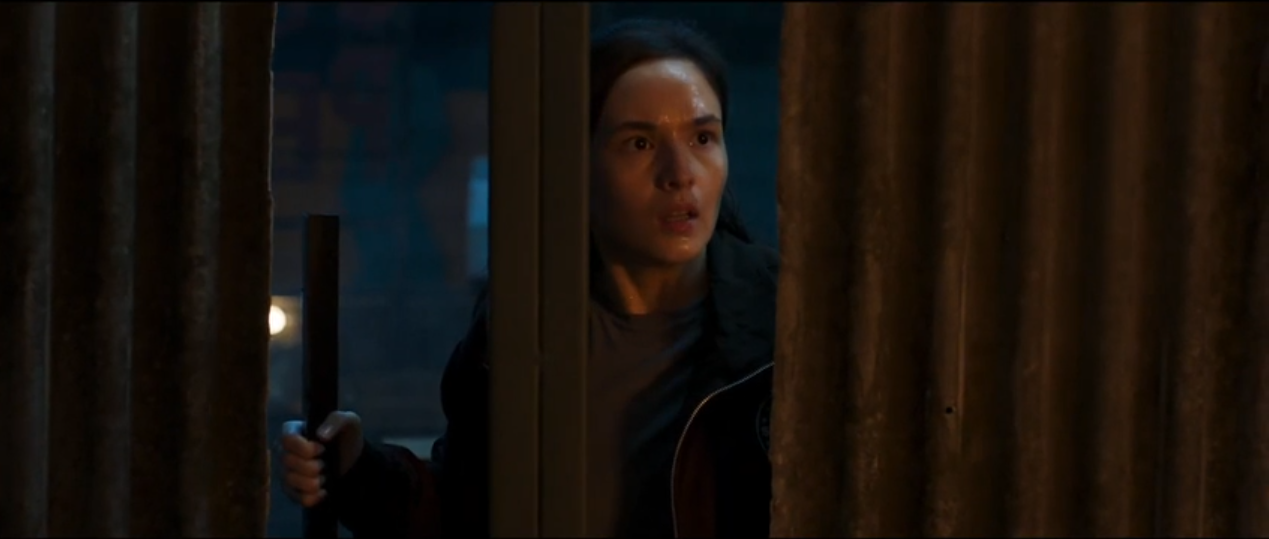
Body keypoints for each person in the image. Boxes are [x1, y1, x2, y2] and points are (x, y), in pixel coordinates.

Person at [277, 18, 779, 538]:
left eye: (703, 137)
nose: (680, 173)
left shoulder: (781, 327)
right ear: (578, 165)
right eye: (639, 144)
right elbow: (465, 510)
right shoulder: (522, 323)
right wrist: (356, 469)